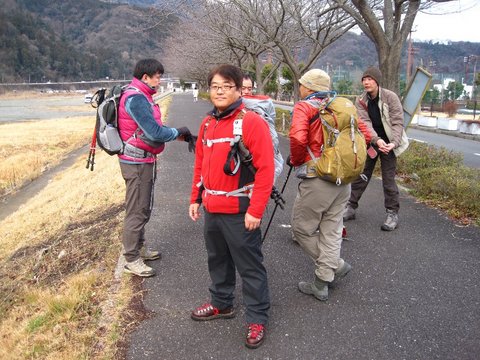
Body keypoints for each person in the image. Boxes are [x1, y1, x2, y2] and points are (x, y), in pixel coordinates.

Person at [189, 64, 274, 349]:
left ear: (239, 90)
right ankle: (222, 304)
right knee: (218, 260)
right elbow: (200, 164)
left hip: (240, 210)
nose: (220, 90)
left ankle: (257, 318)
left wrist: (256, 210)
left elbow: (265, 171)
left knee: (250, 266)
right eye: (215, 86)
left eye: (227, 86)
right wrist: (195, 198)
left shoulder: (250, 122)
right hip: (212, 208)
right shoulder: (207, 123)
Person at [289, 69, 370, 301]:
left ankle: (334, 266)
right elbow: (363, 133)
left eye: (302, 84)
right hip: (343, 178)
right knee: (332, 229)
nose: (300, 88)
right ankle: (322, 282)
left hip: (318, 177)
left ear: (310, 87)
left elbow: (296, 138)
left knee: (301, 229)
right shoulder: (342, 106)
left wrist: (295, 160)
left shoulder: (305, 106)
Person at [119, 58, 193, 277]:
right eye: (158, 77)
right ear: (146, 77)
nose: (160, 81)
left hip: (142, 160)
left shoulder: (139, 95)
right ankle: (132, 259)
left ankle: (139, 248)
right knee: (137, 210)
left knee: (143, 206)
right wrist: (177, 132)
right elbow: (154, 132)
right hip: (136, 162)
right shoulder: (136, 99)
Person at [343, 66, 409, 231]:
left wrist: (393, 143)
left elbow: (397, 122)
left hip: (390, 144)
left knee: (388, 180)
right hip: (372, 142)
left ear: (377, 81)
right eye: (364, 79)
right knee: (361, 175)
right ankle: (350, 206)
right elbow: (365, 123)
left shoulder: (390, 97)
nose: (366, 82)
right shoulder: (361, 100)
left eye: (370, 79)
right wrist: (376, 140)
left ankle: (392, 213)